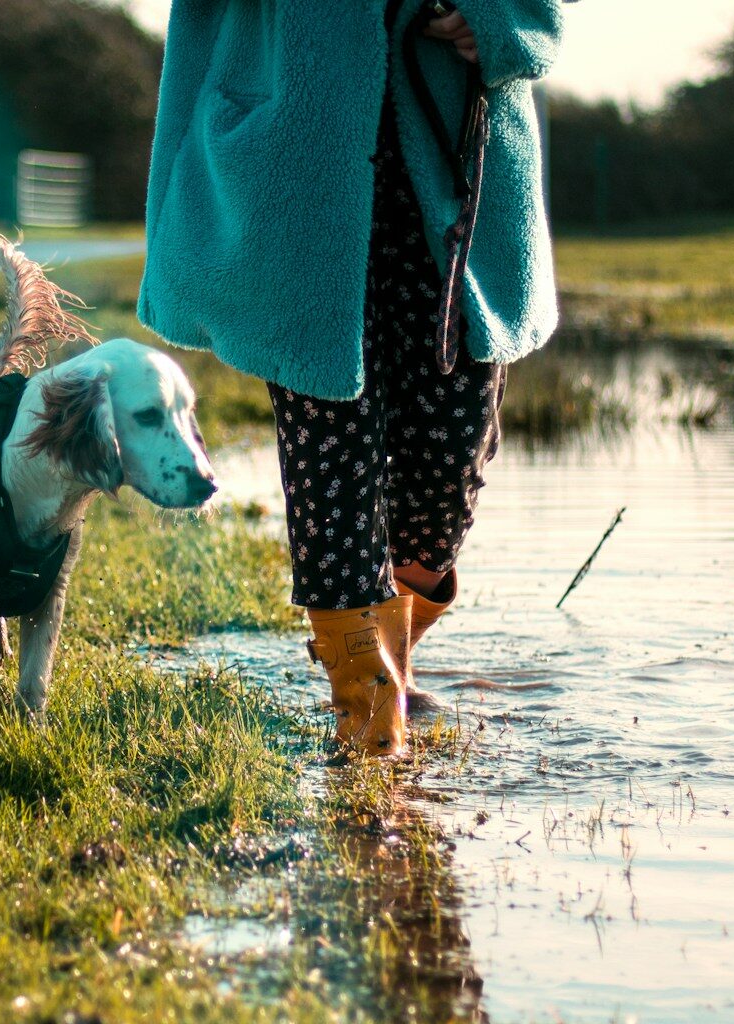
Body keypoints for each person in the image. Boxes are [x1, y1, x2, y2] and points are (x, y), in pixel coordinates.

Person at [137, 0, 565, 758]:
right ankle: (370, 735)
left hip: (455, 154)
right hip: (294, 175)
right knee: (330, 443)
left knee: (451, 457)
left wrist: (493, 16)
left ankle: (388, 664)